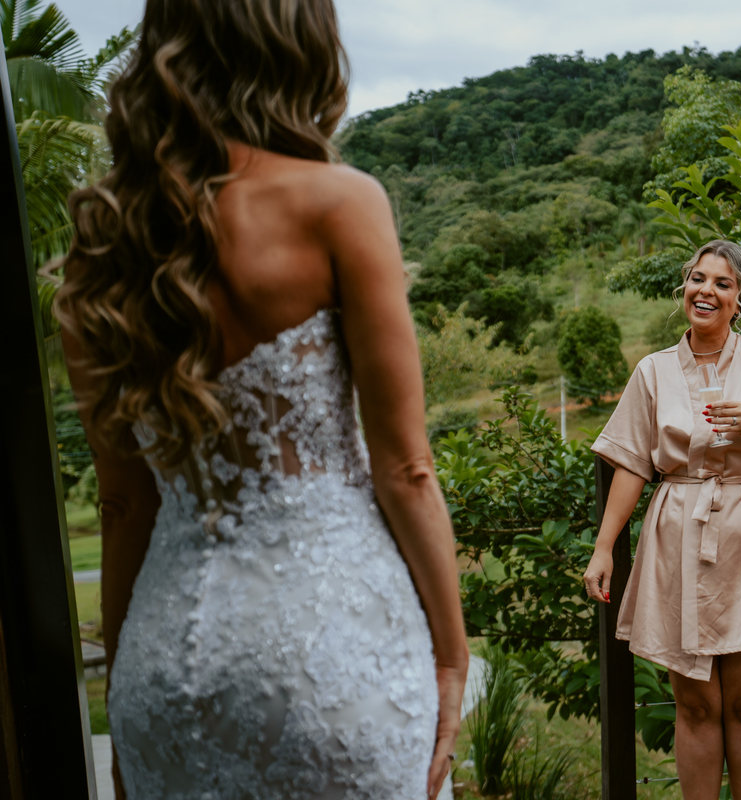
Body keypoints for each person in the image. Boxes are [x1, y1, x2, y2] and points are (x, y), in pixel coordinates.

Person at [54, 2, 468, 797]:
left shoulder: (102, 250)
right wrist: (451, 655)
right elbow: (408, 469)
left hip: (166, 665)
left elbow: (122, 507)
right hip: (330, 651)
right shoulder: (338, 203)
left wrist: (125, 689)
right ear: (295, 39)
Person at [582, 240, 741, 799]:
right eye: (697, 278)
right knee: (693, 702)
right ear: (683, 288)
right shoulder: (654, 370)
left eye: (723, 283)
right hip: (676, 530)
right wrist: (604, 546)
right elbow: (633, 462)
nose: (706, 290)